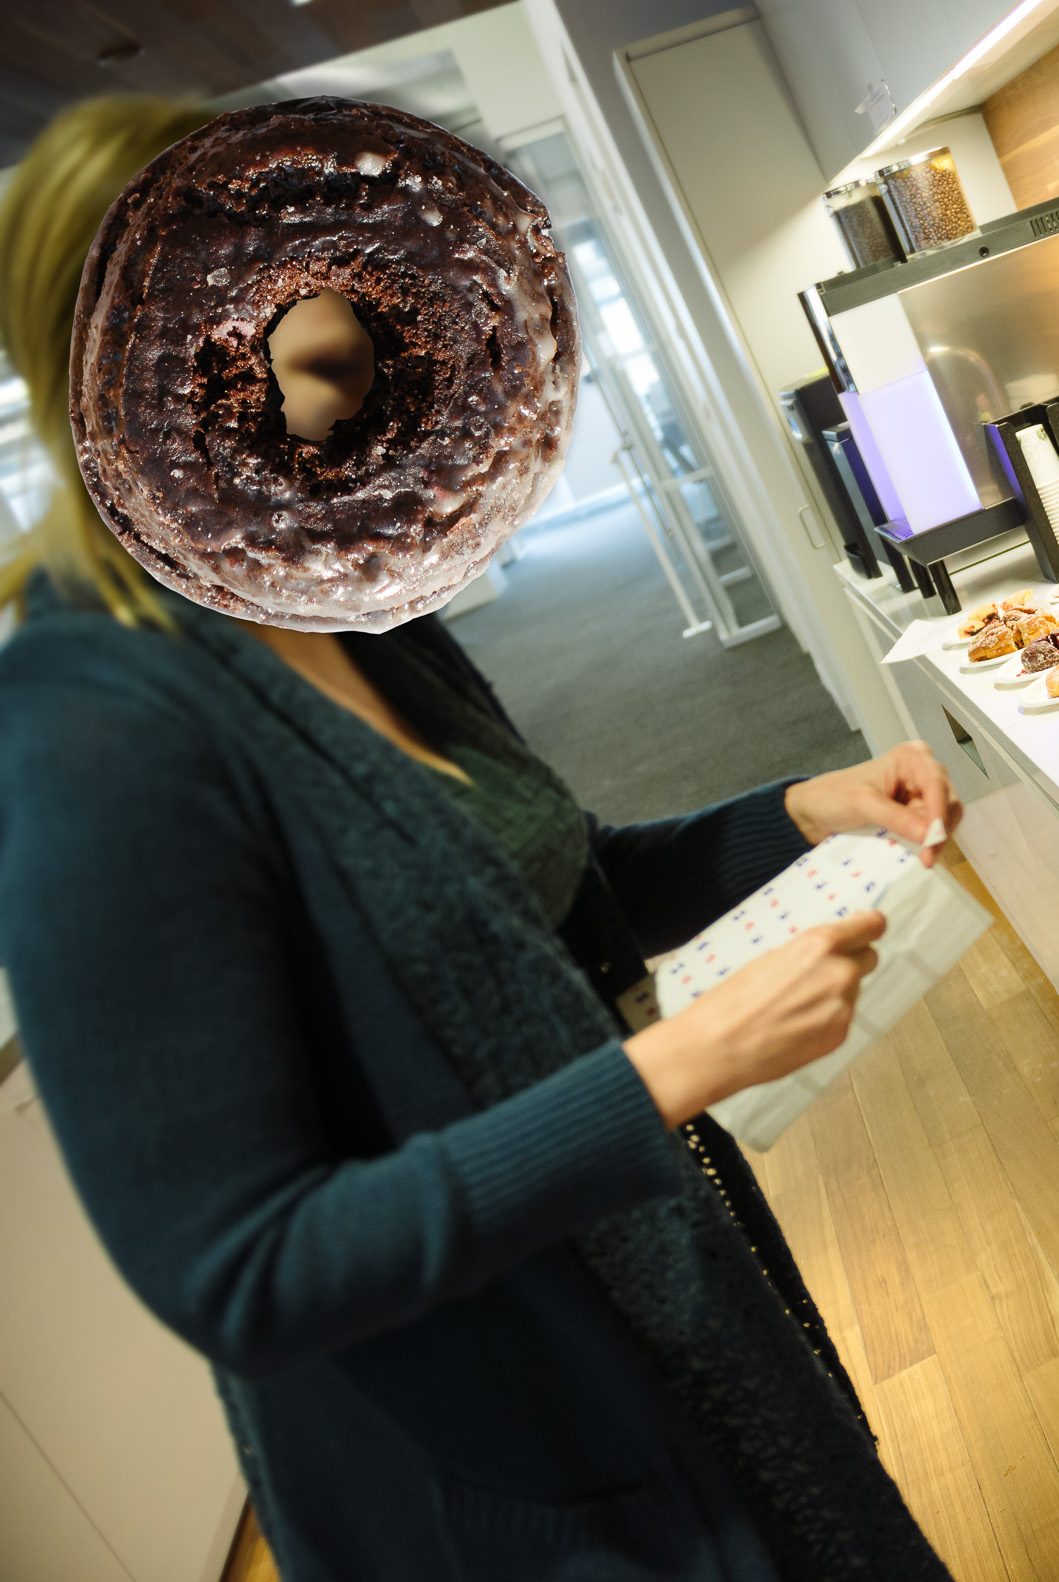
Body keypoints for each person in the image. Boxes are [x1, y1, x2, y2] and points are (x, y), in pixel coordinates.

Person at [0, 97, 957, 1581]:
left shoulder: (344, 601)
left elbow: (553, 882)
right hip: (506, 1464)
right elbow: (247, 1268)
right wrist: (669, 1070)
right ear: (117, 371)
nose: (355, 415)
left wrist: (798, 811)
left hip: (673, 1310)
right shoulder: (88, 730)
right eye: (312, 368)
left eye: (347, 354)